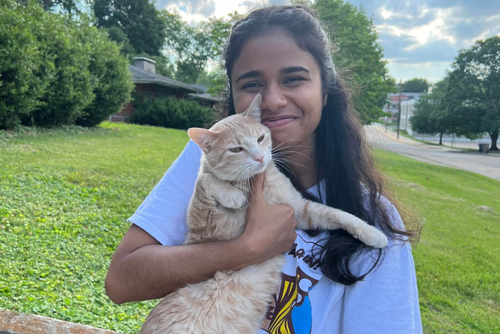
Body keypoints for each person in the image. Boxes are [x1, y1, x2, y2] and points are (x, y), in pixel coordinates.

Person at [105, 5, 422, 333]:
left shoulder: (371, 216)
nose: (271, 100)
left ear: (325, 90)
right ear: (234, 96)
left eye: (293, 79)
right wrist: (246, 248)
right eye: (251, 83)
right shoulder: (209, 160)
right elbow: (122, 281)